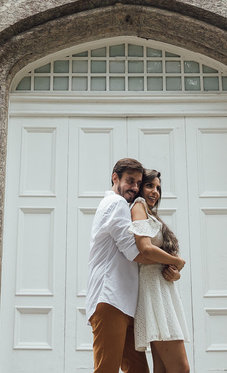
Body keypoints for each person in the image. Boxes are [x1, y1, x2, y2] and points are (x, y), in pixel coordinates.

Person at [87, 158, 187, 373]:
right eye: (129, 181)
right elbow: (136, 252)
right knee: (106, 369)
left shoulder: (126, 205)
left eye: (137, 182)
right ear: (115, 178)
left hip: (127, 302)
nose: (133, 187)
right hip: (110, 298)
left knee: (138, 370)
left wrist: (172, 271)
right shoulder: (116, 203)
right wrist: (176, 262)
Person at [130, 169, 191, 373]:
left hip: (163, 290)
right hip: (153, 293)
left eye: (158, 188)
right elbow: (145, 248)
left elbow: (162, 262)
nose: (155, 191)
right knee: (181, 369)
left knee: (163, 369)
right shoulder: (138, 206)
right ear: (139, 187)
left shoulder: (151, 215)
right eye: (150, 185)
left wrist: (175, 273)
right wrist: (177, 261)